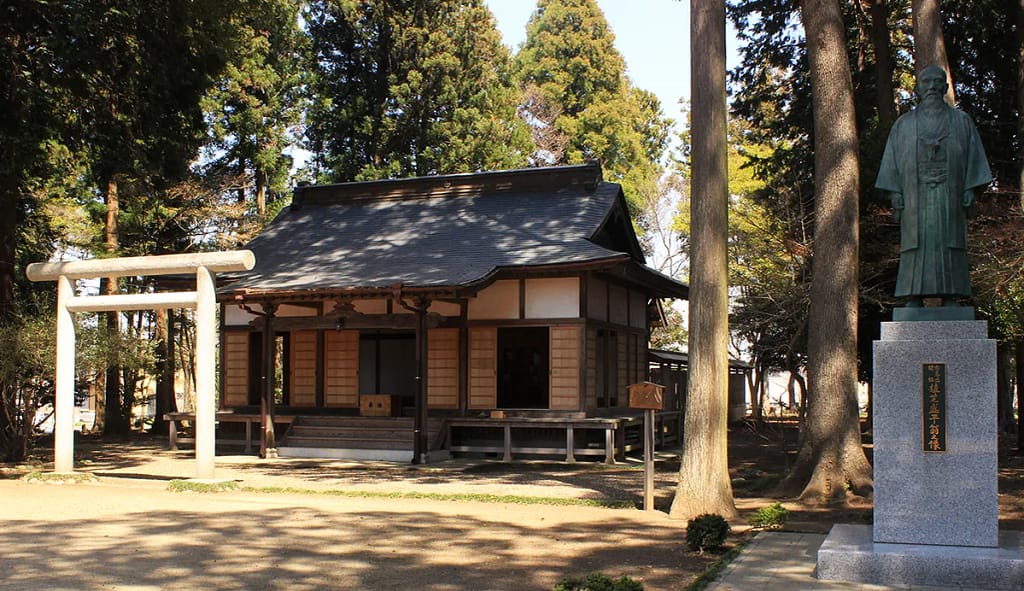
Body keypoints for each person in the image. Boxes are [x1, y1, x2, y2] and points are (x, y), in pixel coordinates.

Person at [875, 65, 992, 306]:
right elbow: (892, 162)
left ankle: (951, 295)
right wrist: (895, 193)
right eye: (925, 82)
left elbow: (974, 157)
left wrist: (970, 188)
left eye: (936, 82)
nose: (931, 87)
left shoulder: (962, 121)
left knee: (950, 242)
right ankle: (913, 297)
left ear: (945, 87)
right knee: (914, 245)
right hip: (914, 198)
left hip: (949, 195)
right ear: (917, 88)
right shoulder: (904, 125)